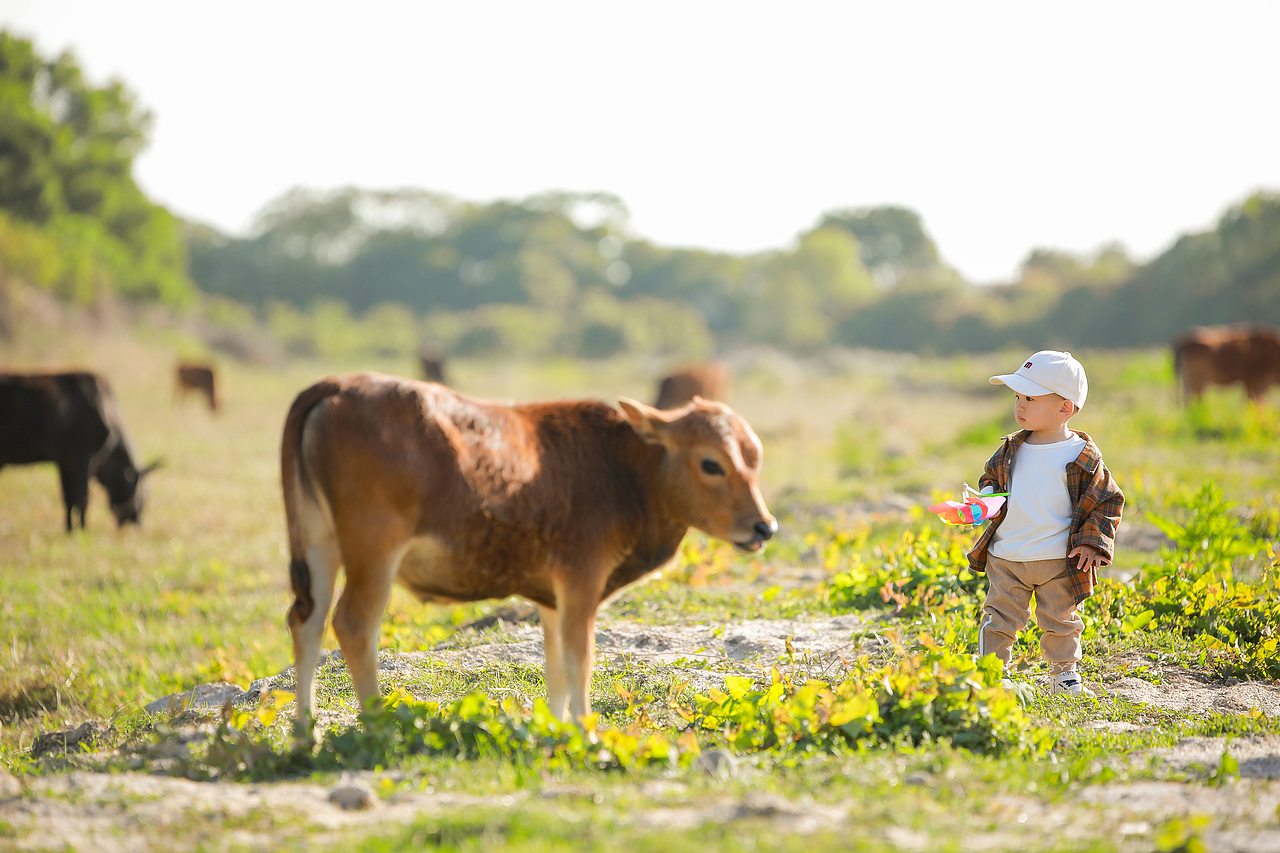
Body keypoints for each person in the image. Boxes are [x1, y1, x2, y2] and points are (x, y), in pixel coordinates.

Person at [967, 350, 1124, 696]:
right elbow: (991, 480)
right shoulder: (1011, 449)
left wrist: (1091, 542)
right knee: (999, 617)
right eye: (1017, 397)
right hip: (1008, 555)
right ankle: (994, 672)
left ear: (1064, 408)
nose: (1018, 406)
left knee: (1062, 620)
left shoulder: (1083, 457)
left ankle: (1064, 675)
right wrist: (984, 501)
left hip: (1059, 560)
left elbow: (1107, 501)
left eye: (1029, 398)